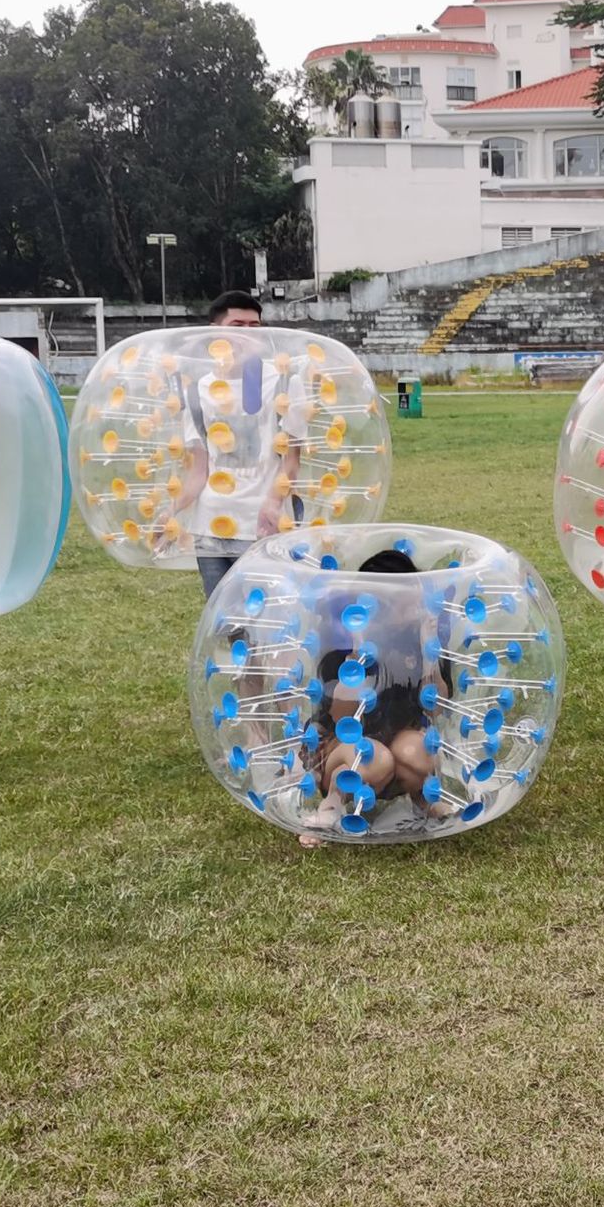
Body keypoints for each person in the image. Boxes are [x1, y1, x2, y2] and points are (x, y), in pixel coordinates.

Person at [298, 549, 450, 844]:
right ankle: (332, 804)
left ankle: (422, 800)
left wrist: (429, 654)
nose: (417, 604)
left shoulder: (420, 644)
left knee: (418, 753)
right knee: (375, 757)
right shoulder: (341, 647)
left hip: (395, 740)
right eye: (406, 599)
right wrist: (359, 650)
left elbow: (435, 709)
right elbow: (342, 718)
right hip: (342, 750)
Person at [176, 291, 303, 600]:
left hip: (262, 526)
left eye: (255, 326)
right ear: (214, 333)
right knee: (220, 614)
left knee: (268, 612)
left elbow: (292, 461)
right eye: (238, 326)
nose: (248, 335)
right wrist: (169, 513)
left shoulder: (284, 382)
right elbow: (199, 470)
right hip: (209, 528)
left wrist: (272, 504)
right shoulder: (198, 391)